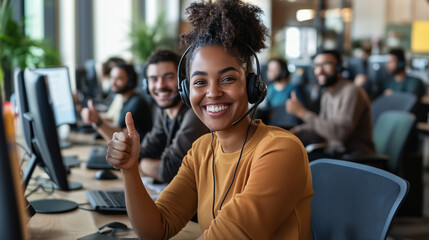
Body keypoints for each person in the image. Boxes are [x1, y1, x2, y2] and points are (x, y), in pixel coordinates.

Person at [106, 0, 313, 239]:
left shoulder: (280, 150)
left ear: (252, 85)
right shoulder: (202, 150)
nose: (212, 93)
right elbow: (156, 229)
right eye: (200, 82)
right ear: (186, 92)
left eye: (227, 79)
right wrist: (130, 171)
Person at [286, 50, 375, 160]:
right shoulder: (327, 94)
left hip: (354, 158)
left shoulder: (351, 91)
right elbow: (321, 129)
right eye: (316, 66)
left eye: (326, 64)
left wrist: (303, 113)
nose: (319, 71)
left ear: (340, 67)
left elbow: (340, 134)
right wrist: (295, 132)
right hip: (335, 155)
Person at [139, 48, 209, 183]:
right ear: (146, 85)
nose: (160, 85)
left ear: (184, 81)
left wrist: (143, 165)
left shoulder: (195, 113)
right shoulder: (163, 110)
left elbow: (169, 171)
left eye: (169, 77)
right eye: (153, 79)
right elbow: (142, 151)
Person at [81, 63, 152, 142]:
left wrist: (97, 121)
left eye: (119, 79)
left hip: (138, 151)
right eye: (112, 78)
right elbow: (110, 119)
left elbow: (118, 135)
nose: (113, 83)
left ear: (130, 81)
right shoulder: (119, 97)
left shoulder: (137, 103)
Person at [258, 57, 304, 129]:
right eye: (269, 69)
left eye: (274, 69)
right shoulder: (270, 88)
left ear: (283, 71)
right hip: (271, 127)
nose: (270, 72)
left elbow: (298, 113)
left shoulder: (292, 89)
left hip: (287, 128)